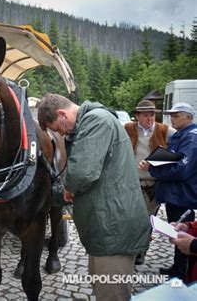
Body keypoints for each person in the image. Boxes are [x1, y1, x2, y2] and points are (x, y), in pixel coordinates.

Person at [37, 94, 150, 301]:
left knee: (111, 295)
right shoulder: (93, 121)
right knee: (101, 289)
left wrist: (65, 190)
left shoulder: (96, 120)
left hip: (114, 229)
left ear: (62, 115)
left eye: (56, 128)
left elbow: (81, 173)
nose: (60, 133)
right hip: (105, 227)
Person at [139, 102, 197, 280]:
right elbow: (174, 159)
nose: (172, 118)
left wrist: (154, 169)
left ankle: (183, 273)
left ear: (189, 117)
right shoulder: (182, 134)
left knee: (184, 234)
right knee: (177, 232)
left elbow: (181, 169)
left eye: (177, 115)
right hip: (175, 194)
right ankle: (177, 268)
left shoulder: (192, 138)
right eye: (171, 115)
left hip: (182, 195)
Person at [124, 100, 176, 265]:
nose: (149, 118)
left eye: (152, 114)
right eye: (145, 115)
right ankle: (131, 246)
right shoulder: (128, 128)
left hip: (153, 184)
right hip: (131, 181)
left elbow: (181, 145)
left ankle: (142, 248)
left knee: (147, 218)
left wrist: (158, 162)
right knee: (131, 217)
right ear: (137, 115)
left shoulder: (164, 130)